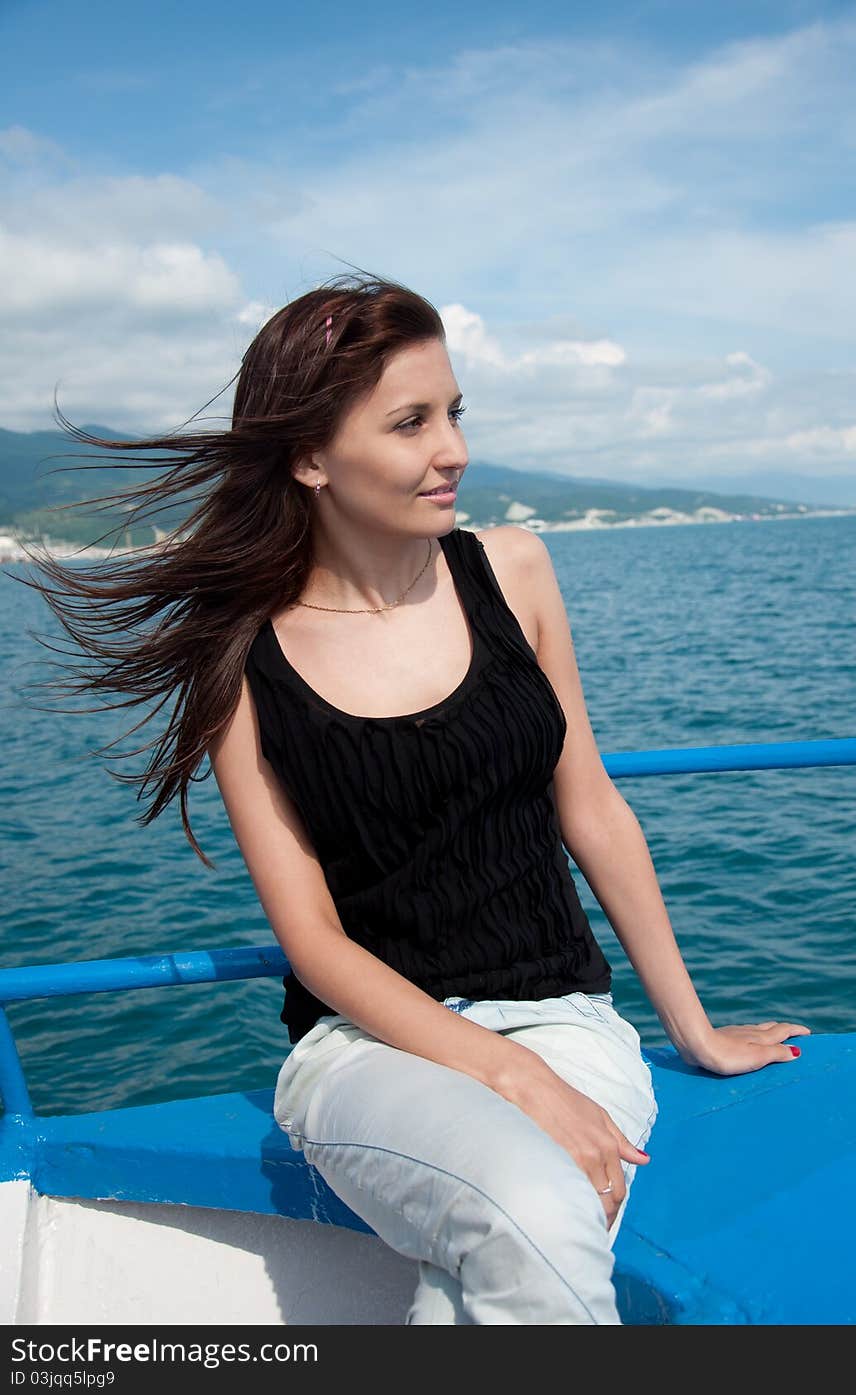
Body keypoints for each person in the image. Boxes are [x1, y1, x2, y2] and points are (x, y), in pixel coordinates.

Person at [18, 270, 811, 1325]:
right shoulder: (240, 658)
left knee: (524, 1226)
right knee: (532, 1199)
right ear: (309, 457)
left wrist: (692, 1028)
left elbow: (592, 811)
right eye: (410, 423)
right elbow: (311, 937)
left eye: (454, 413)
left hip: (564, 1019)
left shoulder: (512, 572)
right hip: (362, 1049)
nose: (455, 450)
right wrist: (506, 1079)